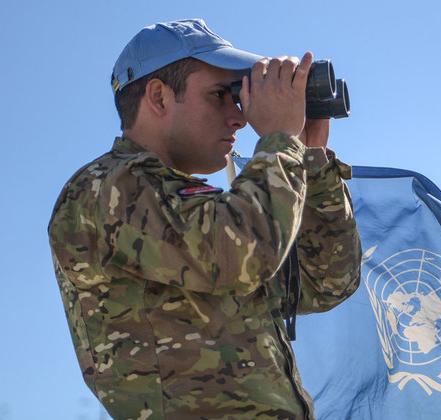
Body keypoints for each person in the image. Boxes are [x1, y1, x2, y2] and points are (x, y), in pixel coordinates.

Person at [47, 18, 361, 419]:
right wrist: (280, 141)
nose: (239, 117)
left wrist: (311, 159)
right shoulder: (105, 188)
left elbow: (328, 281)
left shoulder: (195, 212)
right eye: (221, 95)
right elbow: (241, 256)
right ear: (159, 97)